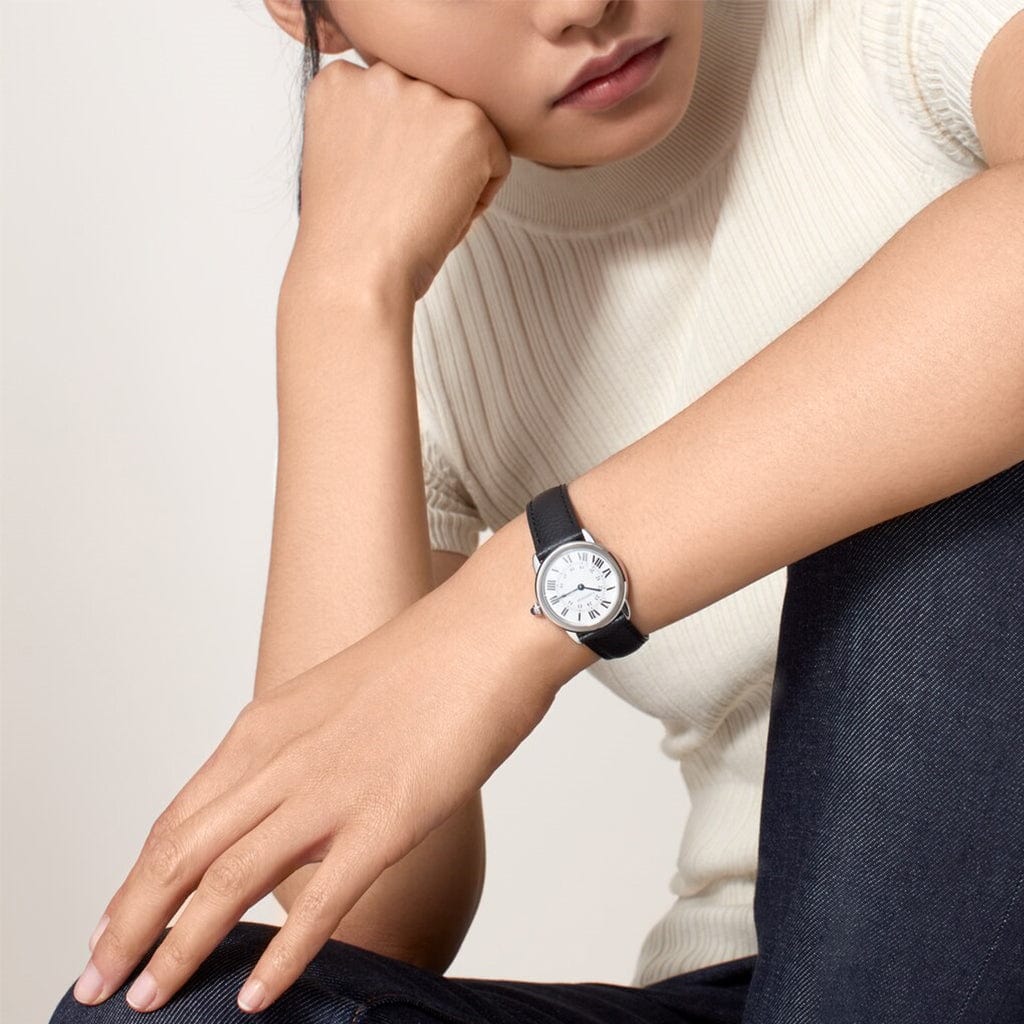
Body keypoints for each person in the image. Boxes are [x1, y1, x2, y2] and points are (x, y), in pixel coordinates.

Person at [48, 0, 1024, 1021]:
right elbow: (371, 927)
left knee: (965, 442)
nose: (581, 4)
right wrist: (342, 300)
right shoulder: (425, 287)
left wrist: (512, 610)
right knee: (185, 1010)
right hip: (763, 980)